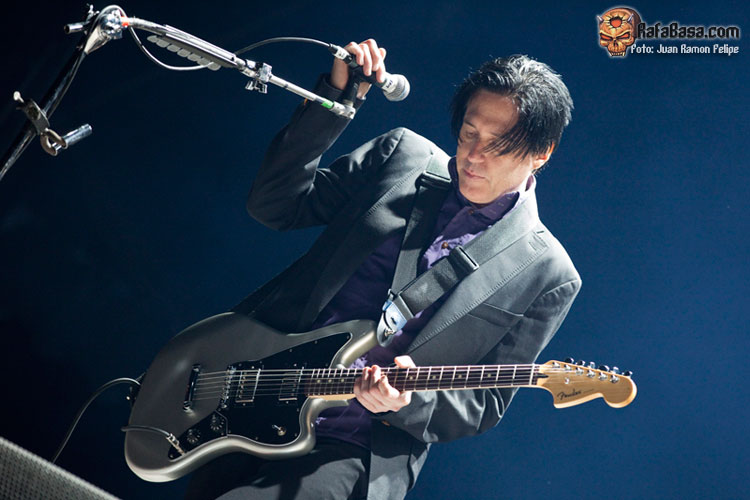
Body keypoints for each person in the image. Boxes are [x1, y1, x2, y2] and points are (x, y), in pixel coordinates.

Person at [185, 39, 580, 500]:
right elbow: (275, 206)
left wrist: (407, 401)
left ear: (542, 152)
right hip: (251, 395)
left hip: (351, 447)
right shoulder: (402, 156)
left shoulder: (547, 272)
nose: (474, 156)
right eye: (468, 133)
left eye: (498, 146)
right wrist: (336, 99)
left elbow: (484, 403)